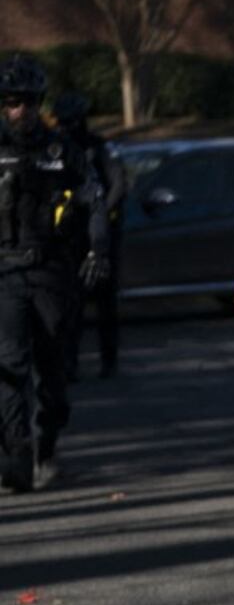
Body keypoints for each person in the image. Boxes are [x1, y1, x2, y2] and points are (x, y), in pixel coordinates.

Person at [0, 55, 109, 492]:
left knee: (55, 374)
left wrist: (98, 249)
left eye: (27, 102)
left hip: (50, 274)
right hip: (4, 275)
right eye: (11, 102)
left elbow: (95, 199)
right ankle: (17, 454)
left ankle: (47, 446)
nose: (20, 110)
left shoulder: (61, 151)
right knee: (9, 369)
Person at [51, 93, 124, 382]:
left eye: (70, 122)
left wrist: (101, 214)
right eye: (62, 123)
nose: (66, 128)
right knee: (72, 305)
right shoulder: (58, 150)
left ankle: (110, 361)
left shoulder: (100, 148)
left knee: (105, 303)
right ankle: (70, 364)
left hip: (102, 237)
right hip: (71, 237)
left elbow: (118, 184)